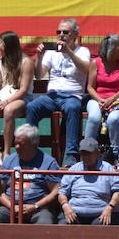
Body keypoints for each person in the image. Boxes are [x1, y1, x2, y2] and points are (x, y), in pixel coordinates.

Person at [24, 18, 91, 164]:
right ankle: (30, 150)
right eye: (58, 32)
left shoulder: (82, 51)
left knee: (73, 108)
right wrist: (39, 57)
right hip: (52, 96)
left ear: (75, 34)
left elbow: (86, 70)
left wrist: (70, 53)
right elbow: (39, 75)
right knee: (32, 107)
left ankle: (70, 156)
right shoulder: (51, 52)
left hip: (72, 95)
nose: (61, 35)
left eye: (65, 32)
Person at [0, 125, 61, 224]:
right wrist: (11, 206)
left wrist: (35, 206)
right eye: (16, 143)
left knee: (45, 222)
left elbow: (55, 191)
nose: (17, 147)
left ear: (34, 145)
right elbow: (0, 190)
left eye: (21, 144)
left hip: (38, 209)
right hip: (11, 207)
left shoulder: (48, 162)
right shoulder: (9, 160)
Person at [0, 31, 35, 158]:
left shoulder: (26, 62)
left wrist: (6, 102)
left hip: (22, 97)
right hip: (4, 95)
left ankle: (7, 151)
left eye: (0, 44)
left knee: (8, 110)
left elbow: (23, 89)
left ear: (8, 45)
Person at [84, 34, 119, 160]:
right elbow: (90, 87)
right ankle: (86, 151)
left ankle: (114, 154)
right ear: (110, 49)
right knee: (94, 118)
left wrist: (111, 99)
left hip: (118, 100)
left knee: (114, 119)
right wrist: (100, 100)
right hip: (97, 99)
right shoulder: (96, 63)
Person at [57, 137, 119, 225]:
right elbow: (62, 192)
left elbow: (118, 191)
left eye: (88, 154)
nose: (85, 157)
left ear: (97, 153)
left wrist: (110, 207)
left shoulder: (108, 168)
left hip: (101, 214)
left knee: (101, 226)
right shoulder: (74, 169)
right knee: (62, 224)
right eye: (83, 154)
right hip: (74, 213)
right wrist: (65, 206)